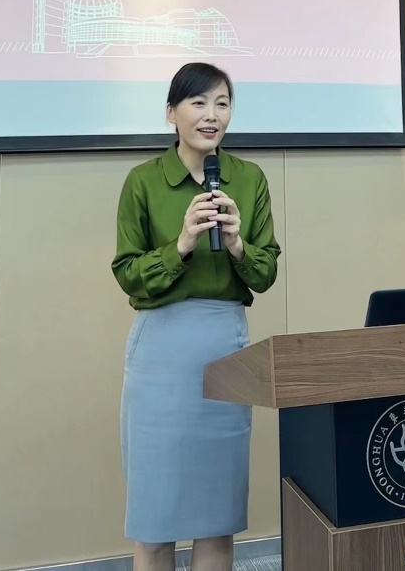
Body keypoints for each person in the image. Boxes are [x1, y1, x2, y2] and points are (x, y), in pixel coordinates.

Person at [113, 62, 280, 571]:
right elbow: (128, 274)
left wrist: (237, 244)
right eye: (199, 102)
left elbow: (266, 272)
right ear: (172, 112)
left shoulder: (248, 179)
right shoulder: (143, 181)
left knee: (215, 518)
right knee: (155, 518)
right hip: (160, 353)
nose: (212, 115)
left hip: (224, 348)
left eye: (222, 104)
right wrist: (182, 243)